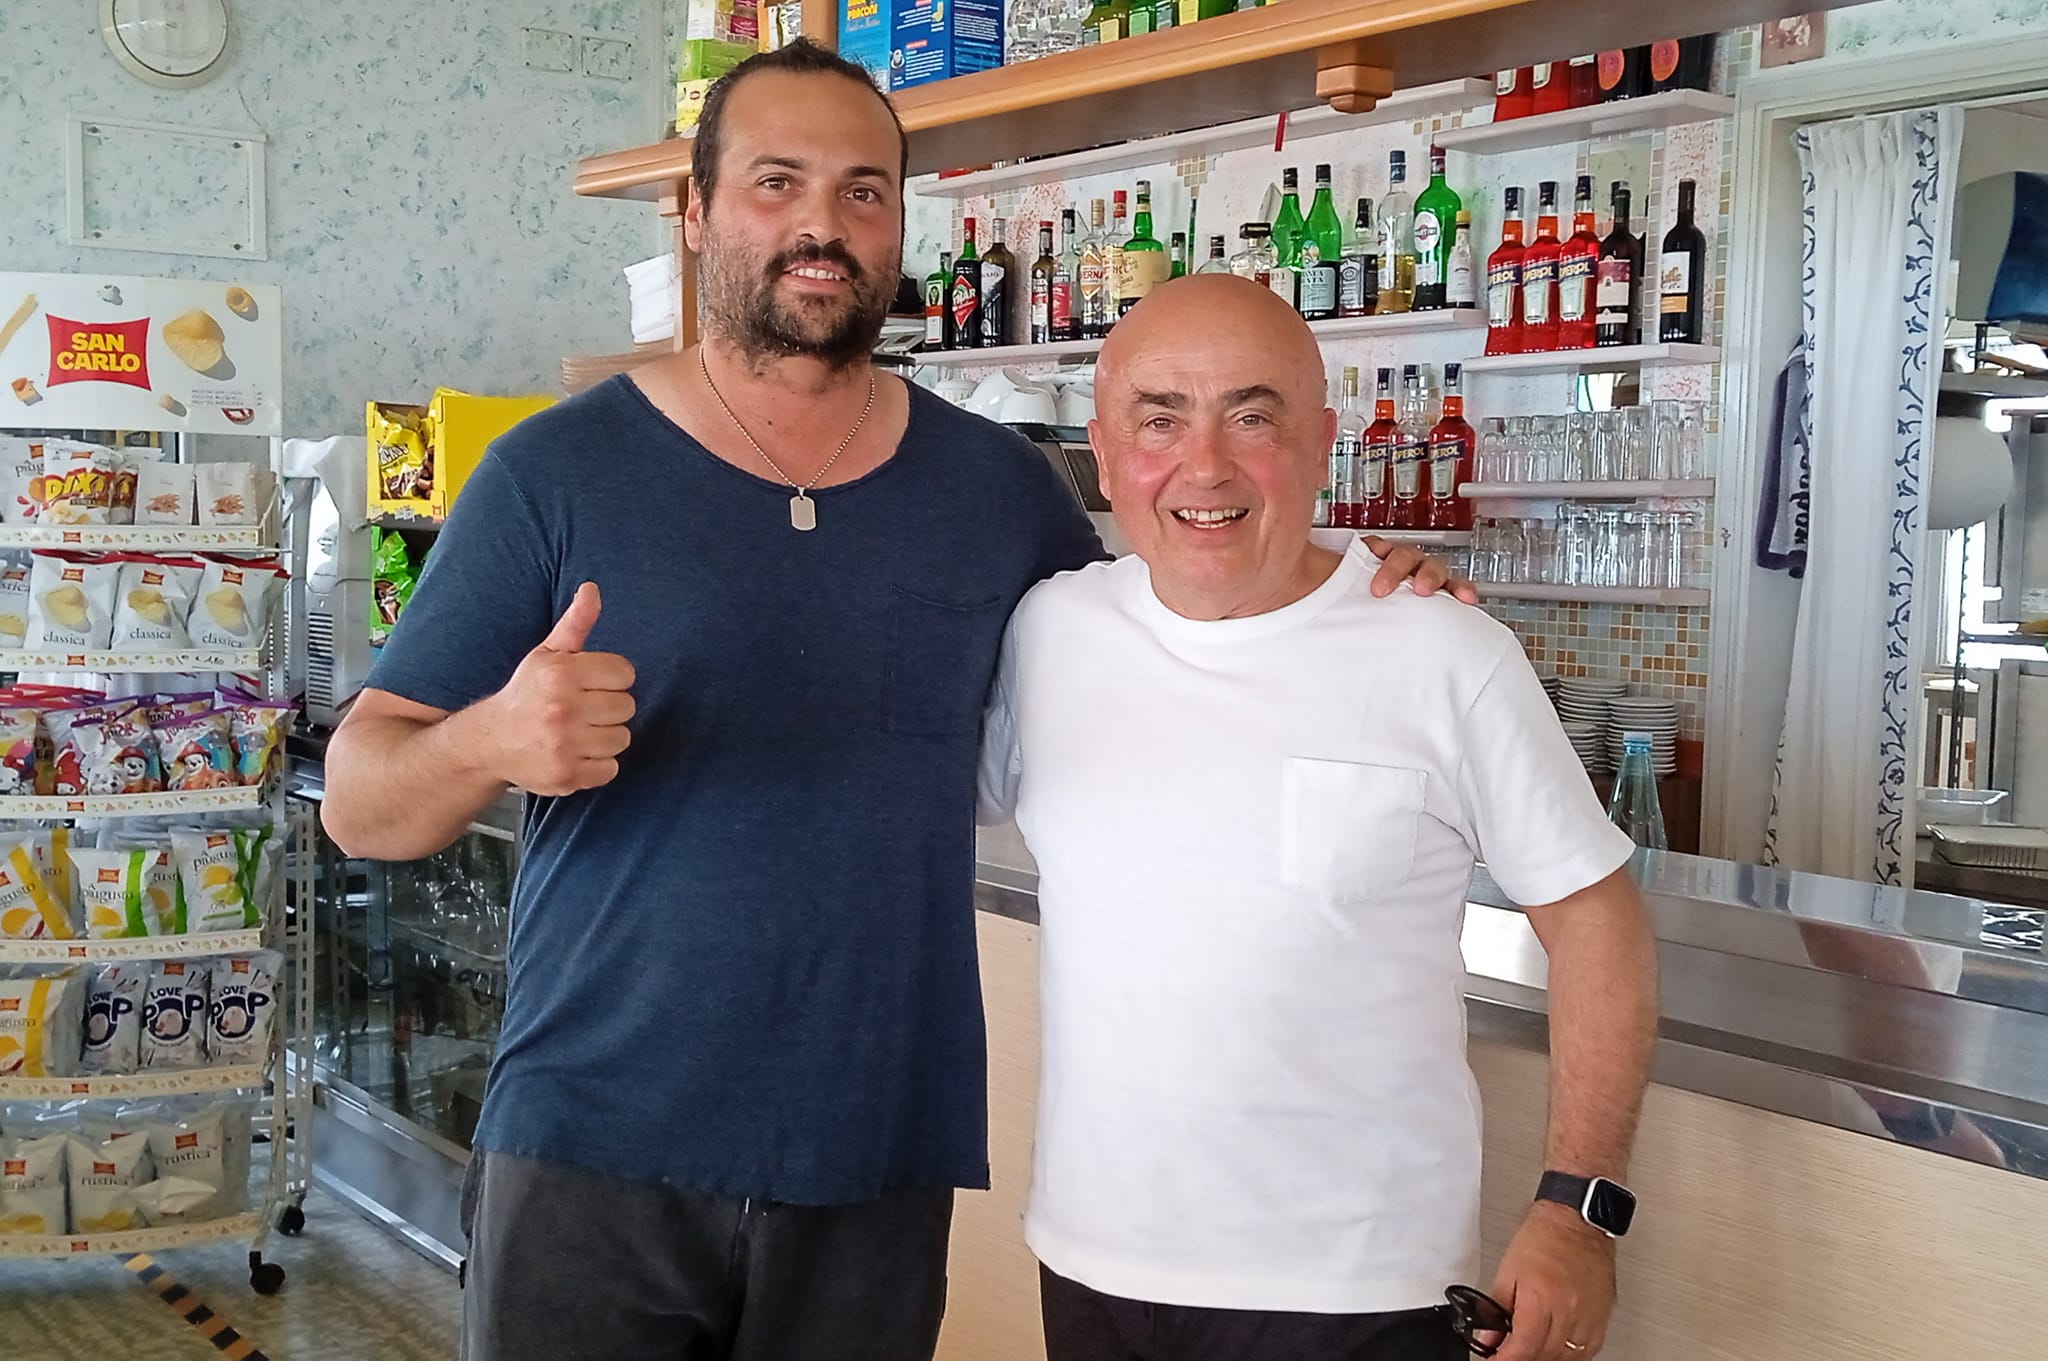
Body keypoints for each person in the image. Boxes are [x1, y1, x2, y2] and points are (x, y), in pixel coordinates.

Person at [319, 41, 1470, 1361]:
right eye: (776, 182)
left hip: (875, 1163)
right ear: (694, 215)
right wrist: (488, 738)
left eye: (865, 190)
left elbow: (1187, 630)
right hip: (595, 1154)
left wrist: (1356, 578)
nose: (823, 223)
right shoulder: (556, 474)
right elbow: (364, 800)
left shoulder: (995, 493)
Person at [980, 273, 1660, 1361]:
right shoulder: (1047, 630)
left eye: (1252, 416)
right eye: (1159, 418)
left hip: (1360, 1290)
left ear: (1322, 441)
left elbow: (1595, 920)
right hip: (1095, 1261)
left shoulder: (1441, 648)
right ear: (1102, 453)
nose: (1204, 464)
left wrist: (1579, 1205)